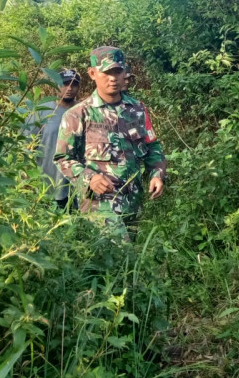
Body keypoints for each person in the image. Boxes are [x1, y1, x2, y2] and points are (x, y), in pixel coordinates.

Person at [53, 46, 165, 239]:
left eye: (118, 71)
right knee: (116, 255)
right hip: (99, 204)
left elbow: (152, 145)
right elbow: (63, 158)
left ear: (124, 73)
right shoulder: (78, 114)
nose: (113, 78)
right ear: (93, 73)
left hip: (133, 202)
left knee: (127, 262)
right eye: (107, 72)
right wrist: (90, 178)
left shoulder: (137, 109)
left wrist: (157, 173)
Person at [24, 69, 81, 210]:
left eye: (74, 84)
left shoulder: (82, 111)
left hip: (74, 184)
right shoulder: (42, 110)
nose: (69, 88)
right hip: (44, 183)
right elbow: (26, 145)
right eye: (64, 84)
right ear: (56, 86)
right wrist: (26, 177)